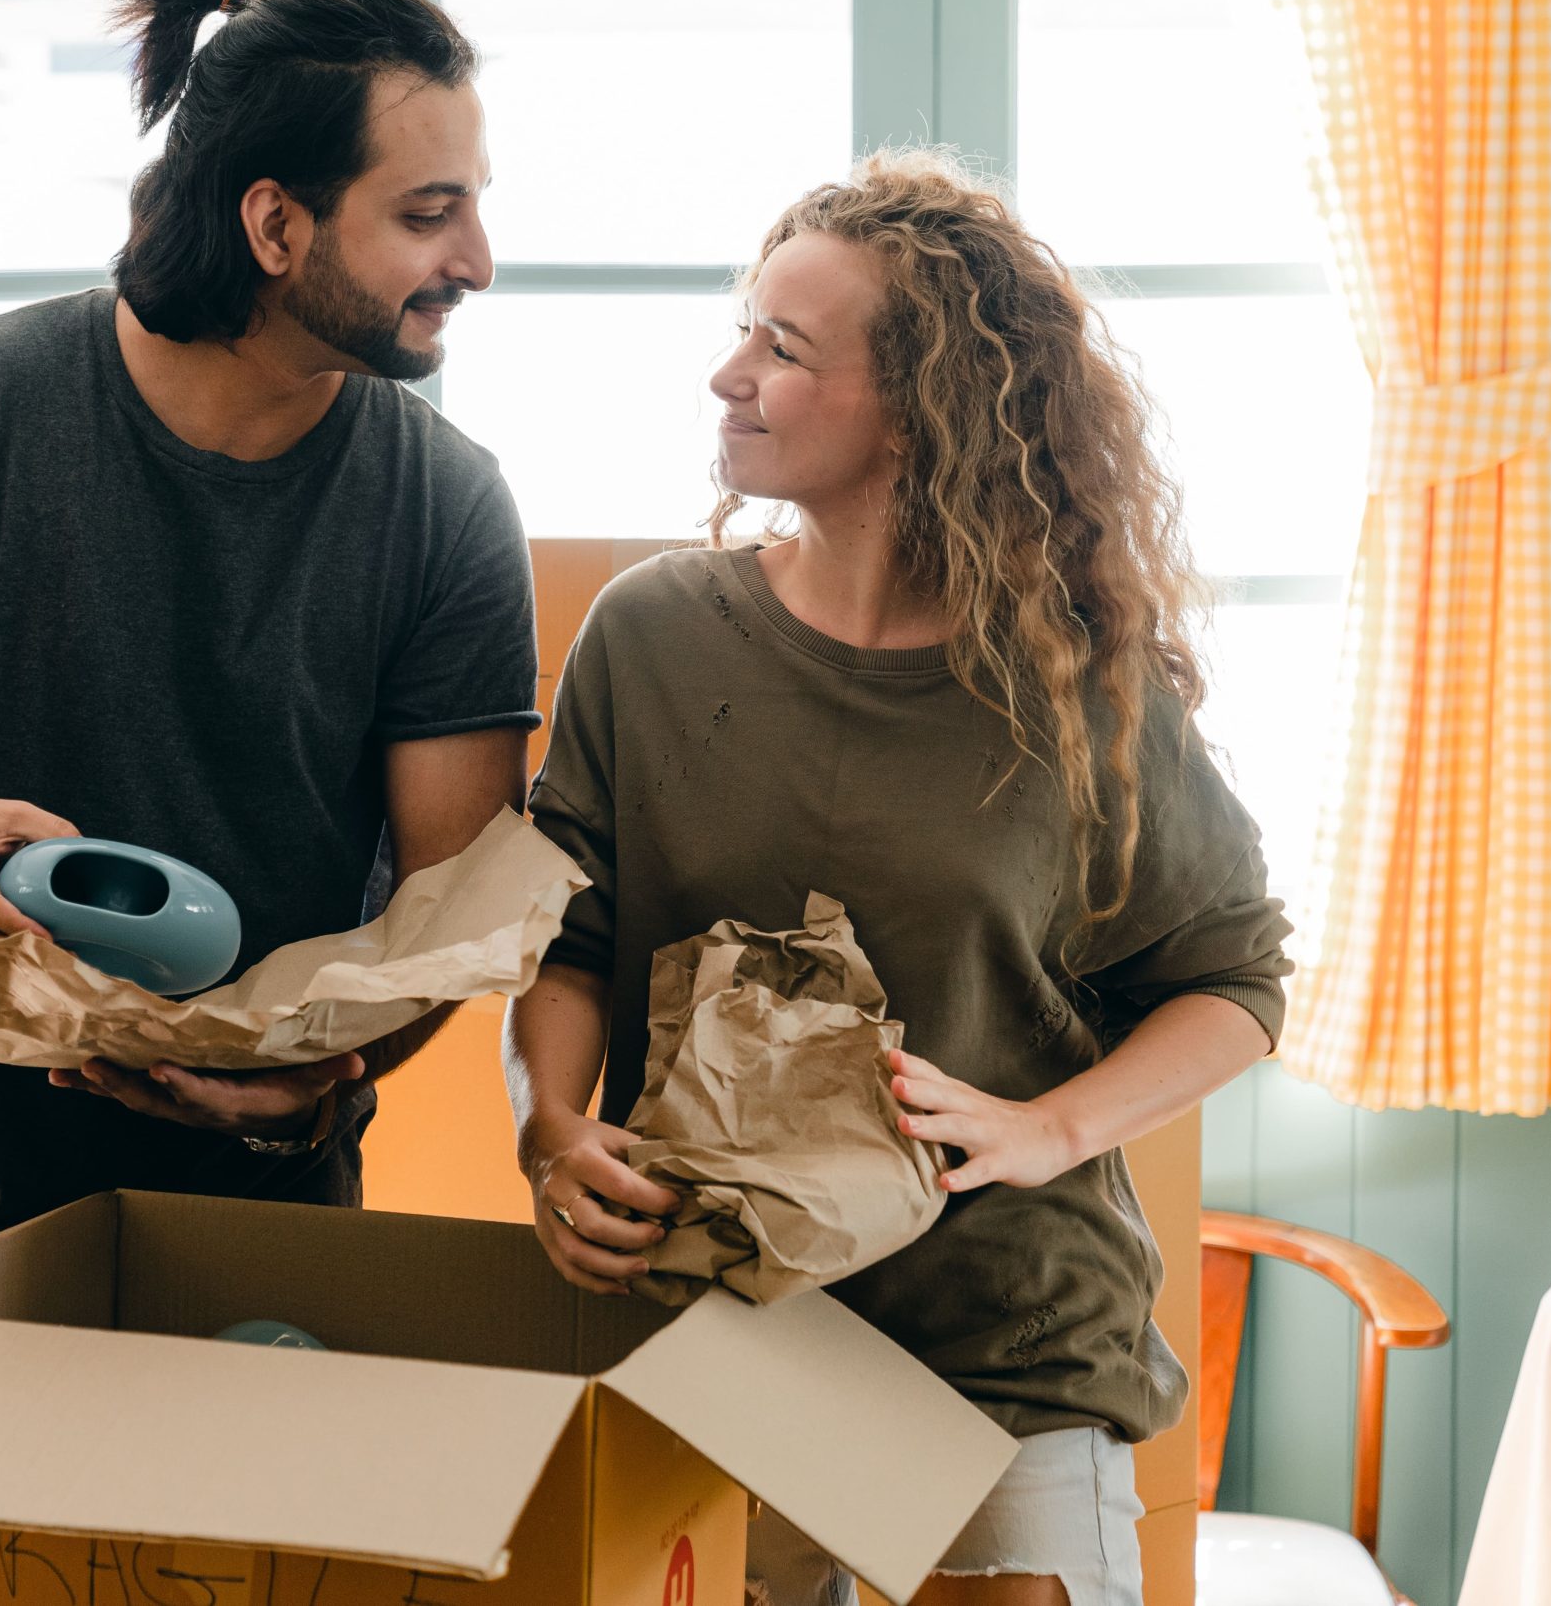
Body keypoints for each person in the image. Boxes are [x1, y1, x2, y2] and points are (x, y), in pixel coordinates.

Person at [0, 0, 537, 1606]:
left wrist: (332, 1068)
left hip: (254, 1236)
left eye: (476, 207)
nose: (478, 262)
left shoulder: (445, 508)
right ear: (276, 226)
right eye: (429, 212)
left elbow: (449, 905)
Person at [503, 149, 1293, 1606]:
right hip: (718, 1338)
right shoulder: (650, 636)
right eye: (745, 324)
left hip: (1006, 1354)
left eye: (783, 348)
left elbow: (1235, 980)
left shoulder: (1079, 689)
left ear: (921, 416)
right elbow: (568, 933)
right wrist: (549, 1129)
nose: (729, 374)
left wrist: (1049, 1131)